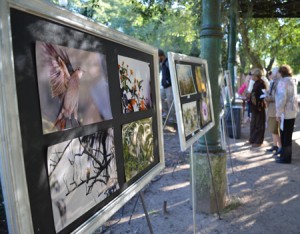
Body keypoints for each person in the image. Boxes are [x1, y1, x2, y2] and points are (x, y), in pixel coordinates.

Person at [275, 65, 298, 163]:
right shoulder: (292, 80)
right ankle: (286, 156)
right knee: (288, 135)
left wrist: (278, 113)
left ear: (281, 73)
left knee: (284, 136)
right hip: (292, 111)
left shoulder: (283, 82)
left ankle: (285, 158)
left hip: (285, 112)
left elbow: (281, 98)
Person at [265, 67, 282, 155]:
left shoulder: (279, 82)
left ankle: (280, 147)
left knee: (275, 129)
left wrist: (268, 98)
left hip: (275, 109)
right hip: (272, 109)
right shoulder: (274, 82)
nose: (271, 74)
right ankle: (275, 145)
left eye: (273, 73)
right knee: (273, 129)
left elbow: (277, 97)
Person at [248, 68, 266, 147]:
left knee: (259, 124)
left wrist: (258, 104)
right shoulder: (255, 83)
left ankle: (258, 141)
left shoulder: (261, 83)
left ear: (256, 76)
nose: (251, 76)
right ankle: (253, 139)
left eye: (253, 75)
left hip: (259, 107)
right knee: (253, 123)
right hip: (254, 107)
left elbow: (263, 95)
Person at [158, 49, 175, 122]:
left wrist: (169, 81)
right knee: (160, 98)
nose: (157, 59)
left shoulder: (168, 62)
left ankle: (172, 117)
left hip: (169, 86)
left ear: (161, 56)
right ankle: (166, 113)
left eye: (158, 57)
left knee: (170, 100)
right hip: (163, 85)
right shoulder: (162, 63)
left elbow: (172, 73)